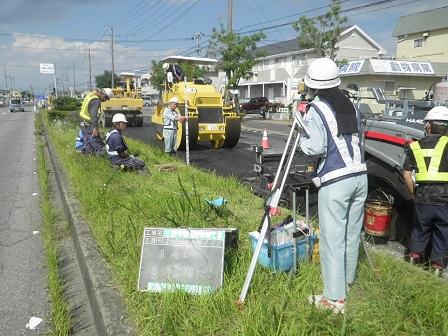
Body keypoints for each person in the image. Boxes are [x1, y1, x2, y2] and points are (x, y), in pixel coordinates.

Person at [299, 58, 368, 314]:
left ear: (312, 84)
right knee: (351, 234)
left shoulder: (316, 108)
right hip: (360, 177)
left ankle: (334, 299)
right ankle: (347, 284)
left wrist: (301, 139)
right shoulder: (352, 105)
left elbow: (316, 147)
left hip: (336, 180)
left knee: (332, 240)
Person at [403, 106, 448, 275]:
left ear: (428, 126)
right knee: (443, 234)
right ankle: (437, 269)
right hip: (445, 200)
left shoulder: (414, 146)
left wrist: (414, 193)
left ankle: (413, 262)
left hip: (423, 199)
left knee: (420, 231)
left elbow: (407, 175)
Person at [78, 88, 114, 156]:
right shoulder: (96, 101)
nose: (105, 100)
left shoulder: (91, 94)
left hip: (82, 120)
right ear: (104, 94)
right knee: (95, 138)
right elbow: (93, 115)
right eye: (106, 98)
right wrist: (95, 128)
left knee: (87, 139)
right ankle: (101, 155)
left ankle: (90, 154)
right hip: (88, 122)